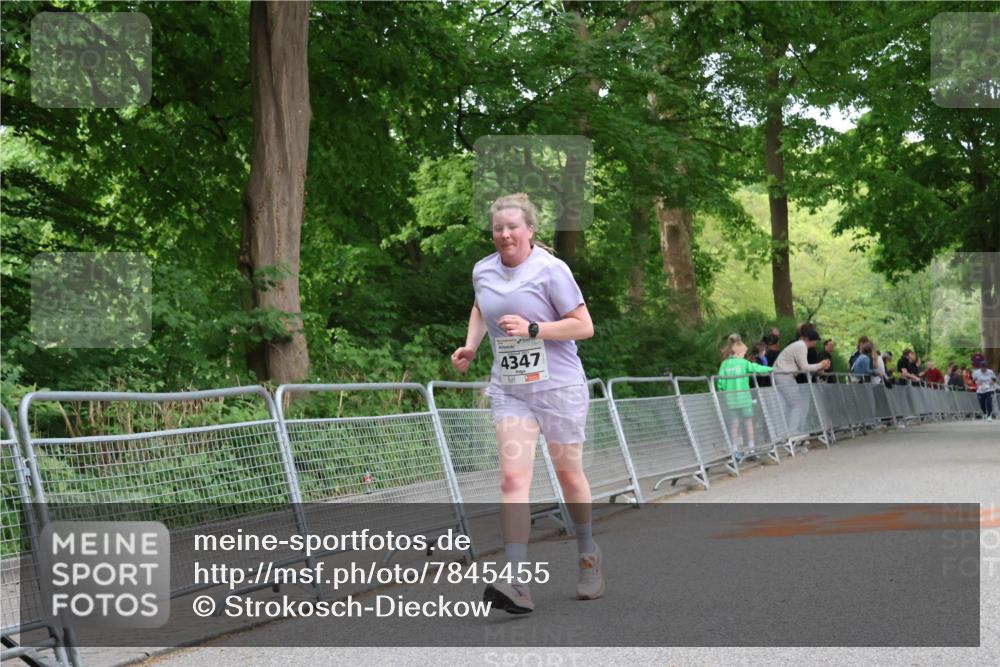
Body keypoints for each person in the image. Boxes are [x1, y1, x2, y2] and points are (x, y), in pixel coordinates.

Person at [451, 193, 601, 614]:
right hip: (511, 389)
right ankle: (517, 581)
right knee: (513, 479)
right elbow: (480, 306)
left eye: (512, 227)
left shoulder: (551, 270)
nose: (504, 234)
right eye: (498, 228)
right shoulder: (483, 270)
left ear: (530, 230)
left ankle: (588, 554)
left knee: (569, 476)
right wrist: (471, 346)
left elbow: (583, 326)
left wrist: (534, 329)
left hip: (558, 389)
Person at [716, 334, 773, 459]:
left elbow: (720, 381)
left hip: (730, 399)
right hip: (744, 398)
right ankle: (751, 447)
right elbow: (756, 368)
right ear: (739, 352)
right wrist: (771, 368)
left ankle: (734, 448)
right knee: (748, 422)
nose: (744, 355)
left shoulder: (724, 364)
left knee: (734, 424)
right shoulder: (743, 363)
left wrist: (722, 390)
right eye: (744, 353)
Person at [772, 324, 831, 440]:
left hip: (783, 375)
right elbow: (804, 367)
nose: (815, 343)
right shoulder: (801, 346)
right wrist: (821, 365)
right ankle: (793, 432)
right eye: (815, 340)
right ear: (809, 339)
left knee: (788, 404)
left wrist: (819, 366)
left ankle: (785, 433)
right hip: (784, 375)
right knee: (797, 404)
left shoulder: (797, 345)